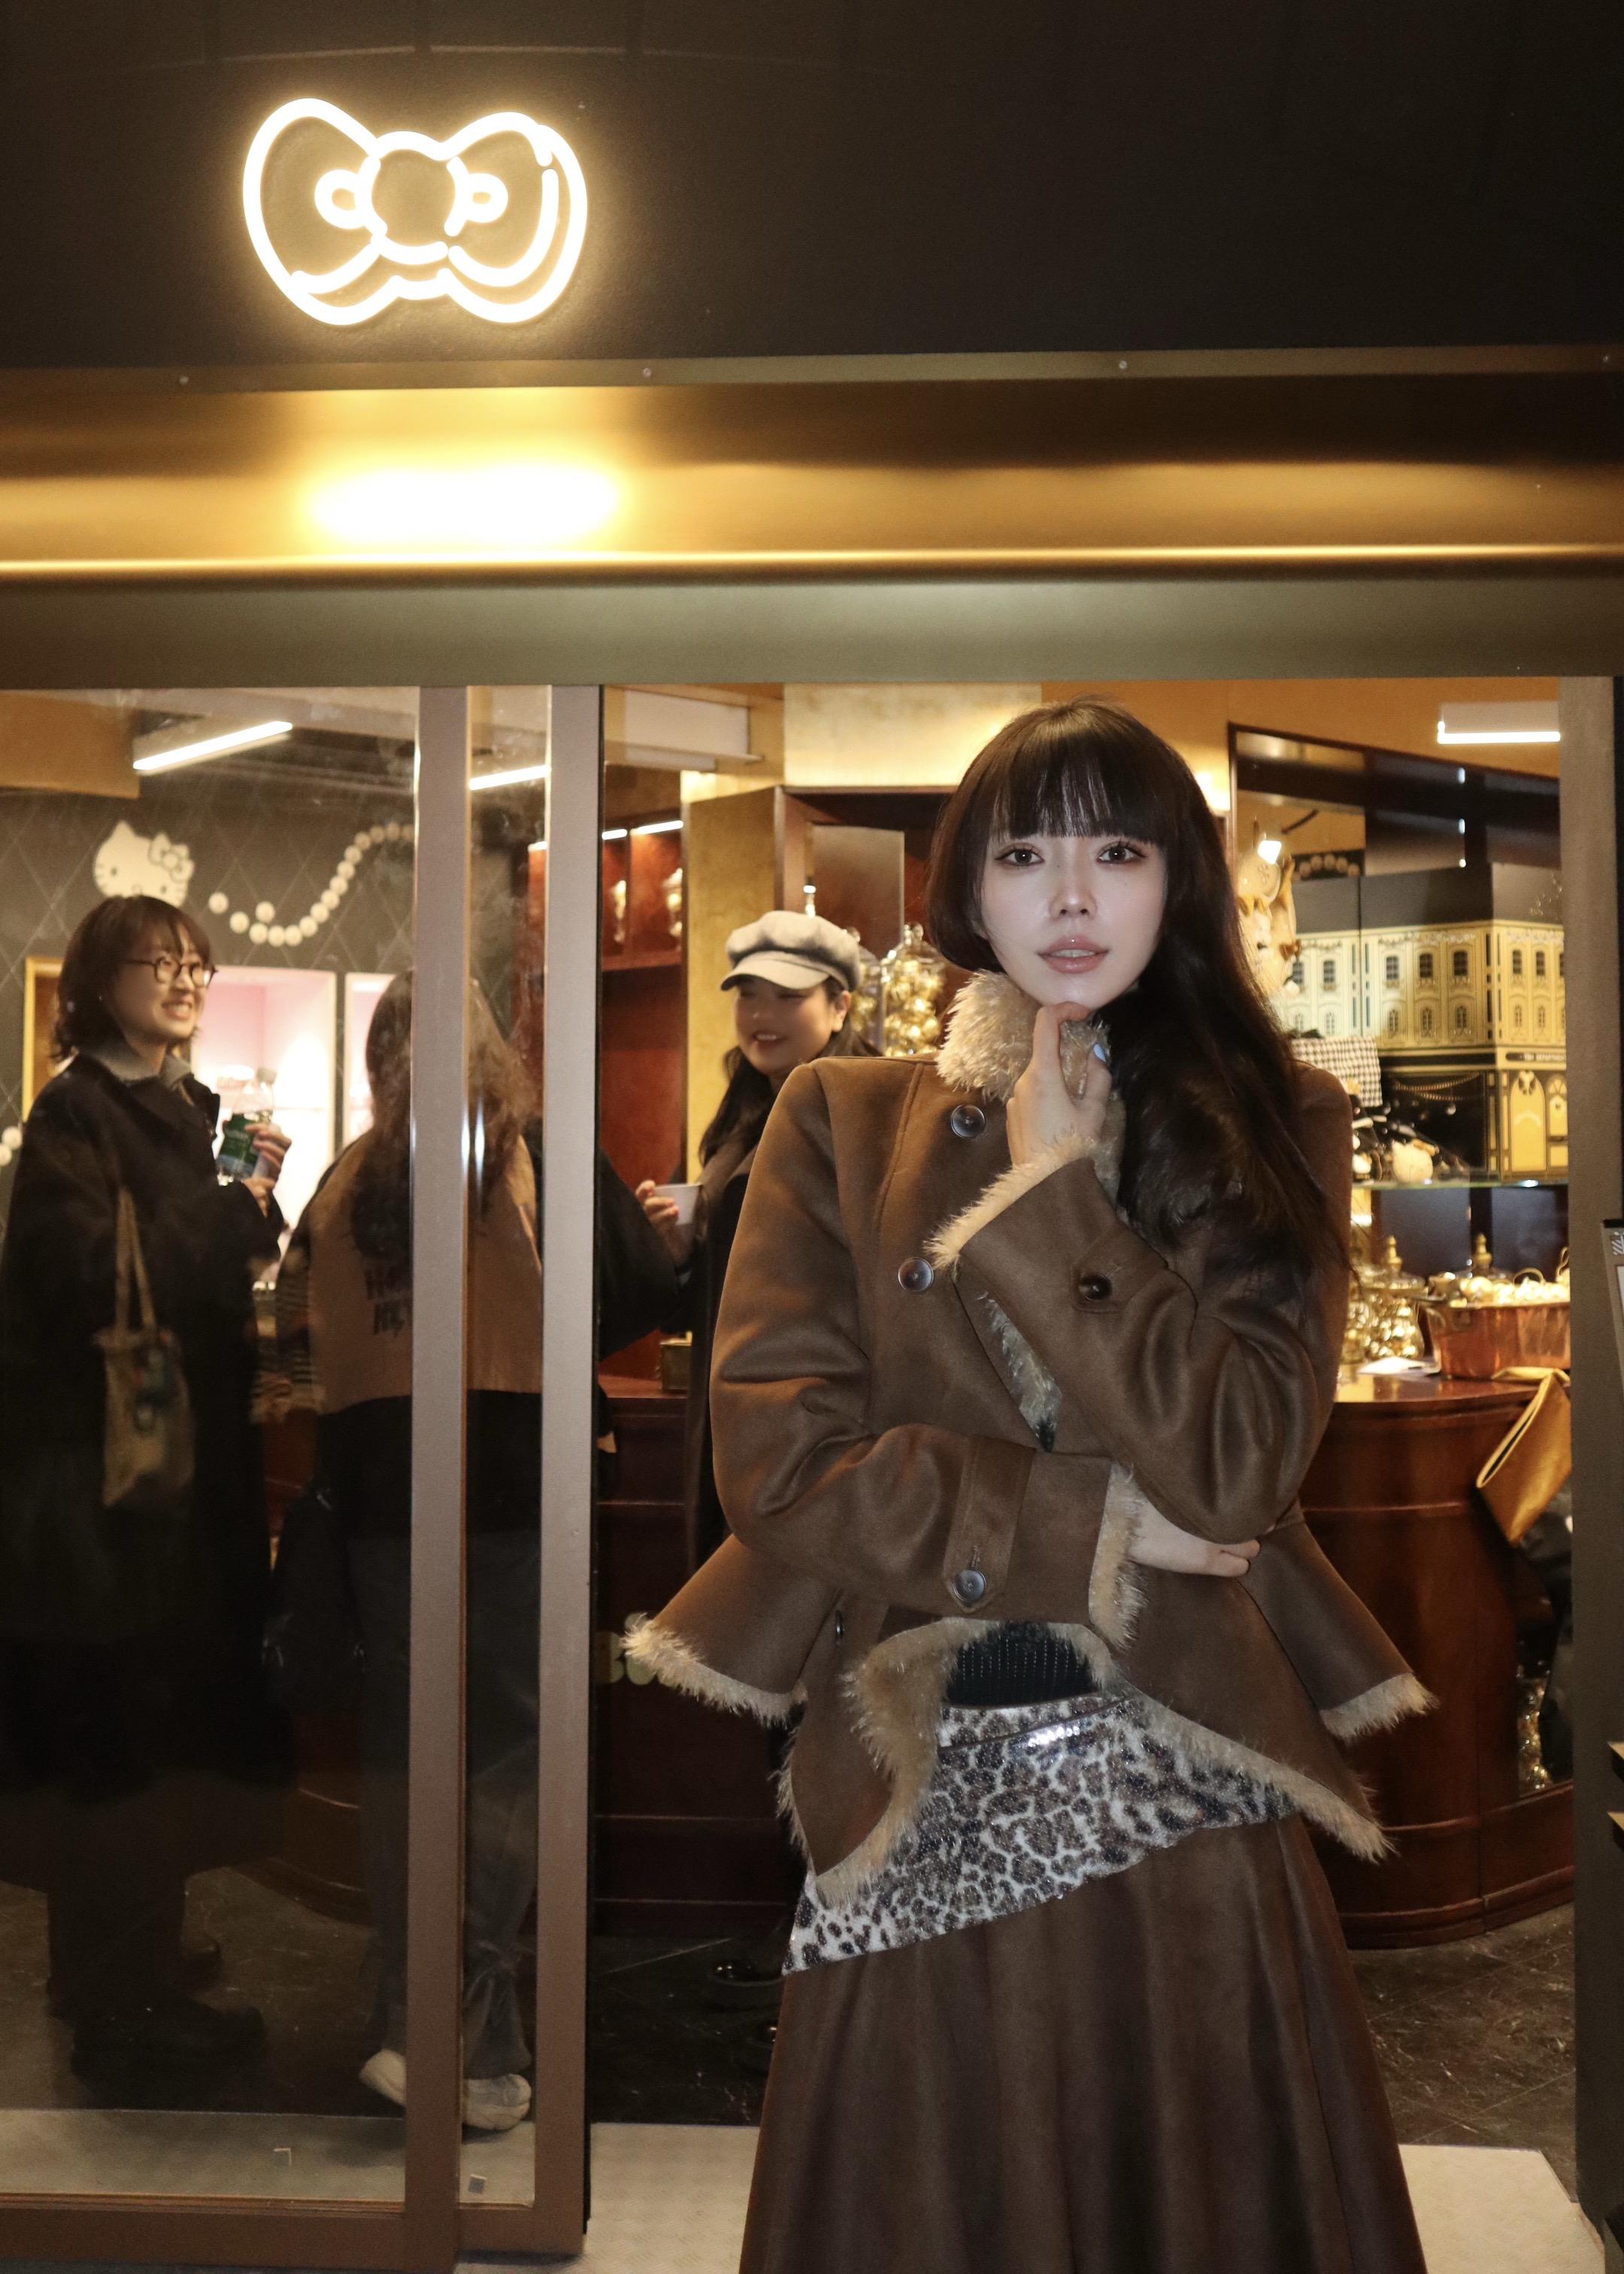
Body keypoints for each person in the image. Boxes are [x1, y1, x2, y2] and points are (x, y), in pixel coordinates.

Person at [627, 700, 1432, 2273]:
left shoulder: (1274, 1118)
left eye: (1117, 851)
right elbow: (781, 1462)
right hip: (922, 1783)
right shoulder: (842, 1120)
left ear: (1176, 879)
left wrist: (1057, 1197)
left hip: (1185, 1781)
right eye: (1024, 854)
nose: (1070, 896)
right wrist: (1104, 1524)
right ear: (967, 892)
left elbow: (1243, 1466)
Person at [274, 973, 676, 2133]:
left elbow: (298, 1330)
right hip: (515, 1481)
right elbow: (640, 1290)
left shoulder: (350, 1180)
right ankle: (472, 2036)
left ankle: (411, 2019)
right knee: (506, 1750)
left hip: (382, 1498)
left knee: (407, 1750)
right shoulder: (535, 1155)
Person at [0, 894, 290, 2072]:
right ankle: (124, 2008)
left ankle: (124, 1962)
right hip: (111, 1492)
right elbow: (79, 1278)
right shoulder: (74, 1110)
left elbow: (223, 1259)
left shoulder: (192, 1104)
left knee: (151, 1721)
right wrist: (227, 1212)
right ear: (97, 981)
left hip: (174, 1480)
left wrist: (253, 1200)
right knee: (124, 1724)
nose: (183, 981)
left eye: (195, 965)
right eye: (156, 962)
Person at [637, 910, 869, 1574]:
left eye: (789, 996)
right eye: (748, 994)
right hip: (730, 1401)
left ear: (840, 1006)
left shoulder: (862, 1108)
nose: (762, 1015)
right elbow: (720, 1287)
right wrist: (678, 1253)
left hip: (815, 1409)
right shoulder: (741, 1115)